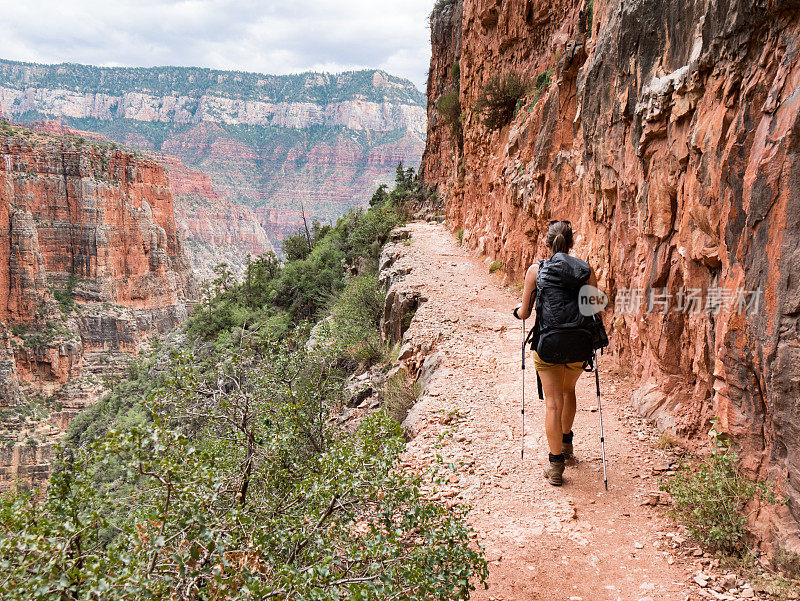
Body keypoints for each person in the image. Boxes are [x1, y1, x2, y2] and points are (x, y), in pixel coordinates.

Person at [514, 220, 598, 486]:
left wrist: (518, 311)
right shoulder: (585, 270)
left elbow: (525, 312)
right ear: (571, 243)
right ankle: (567, 445)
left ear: (547, 244)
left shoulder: (535, 270)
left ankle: (555, 466)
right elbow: (594, 308)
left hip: (548, 345)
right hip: (578, 345)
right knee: (568, 391)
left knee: (552, 402)